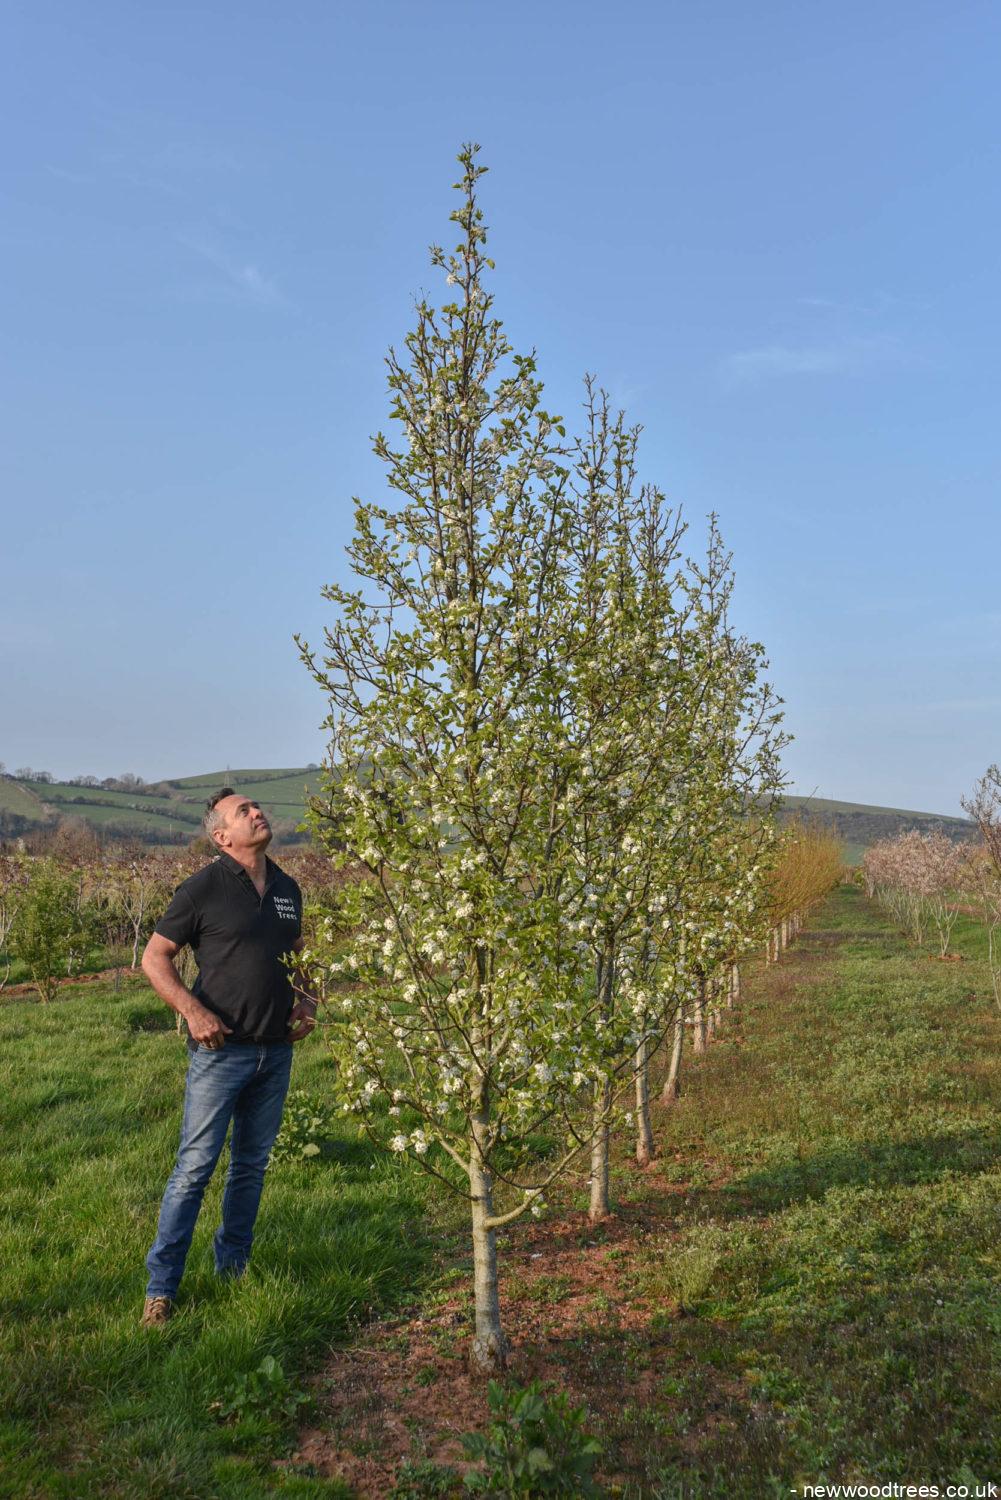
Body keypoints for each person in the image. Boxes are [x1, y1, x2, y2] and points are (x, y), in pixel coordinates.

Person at [139, 788, 318, 1326]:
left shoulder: (288, 888)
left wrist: (307, 1001)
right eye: (245, 812)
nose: (258, 812)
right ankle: (161, 1288)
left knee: (250, 1168)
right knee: (194, 1169)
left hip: (275, 1053)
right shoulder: (202, 889)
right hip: (221, 1055)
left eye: (258, 806)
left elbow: (301, 954)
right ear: (222, 836)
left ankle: (232, 1271)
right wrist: (194, 1013)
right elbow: (155, 959)